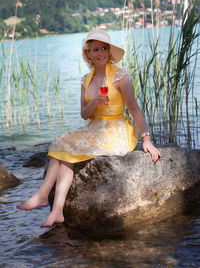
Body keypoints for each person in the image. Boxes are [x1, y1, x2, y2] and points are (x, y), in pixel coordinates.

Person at [17, 29, 160, 227]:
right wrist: (95, 103)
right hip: (95, 128)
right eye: (95, 49)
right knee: (62, 147)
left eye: (104, 48)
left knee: (65, 148)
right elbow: (85, 114)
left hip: (115, 130)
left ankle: (43, 196)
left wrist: (146, 140)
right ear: (88, 54)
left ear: (109, 51)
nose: (100, 53)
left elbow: (134, 108)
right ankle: (57, 210)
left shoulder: (120, 76)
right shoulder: (86, 79)